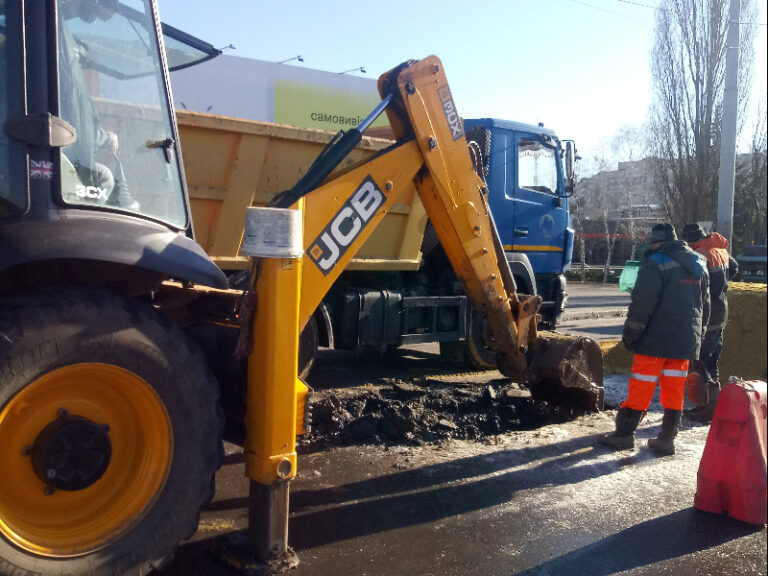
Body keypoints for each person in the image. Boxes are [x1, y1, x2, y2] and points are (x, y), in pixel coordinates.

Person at [599, 223, 710, 455]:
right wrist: (697, 338)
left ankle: (624, 435)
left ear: (656, 242)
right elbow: (705, 308)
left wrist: (630, 335)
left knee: (641, 386)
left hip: (654, 341)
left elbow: (642, 305)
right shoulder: (699, 264)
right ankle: (667, 439)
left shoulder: (655, 262)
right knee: (674, 389)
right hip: (684, 342)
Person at [682, 223, 739, 423]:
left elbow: (698, 287)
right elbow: (734, 267)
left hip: (709, 315)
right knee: (712, 360)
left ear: (691, 241)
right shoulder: (718, 249)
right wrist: (721, 287)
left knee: (700, 361)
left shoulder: (701, 255)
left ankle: (710, 407)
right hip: (722, 311)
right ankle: (709, 405)